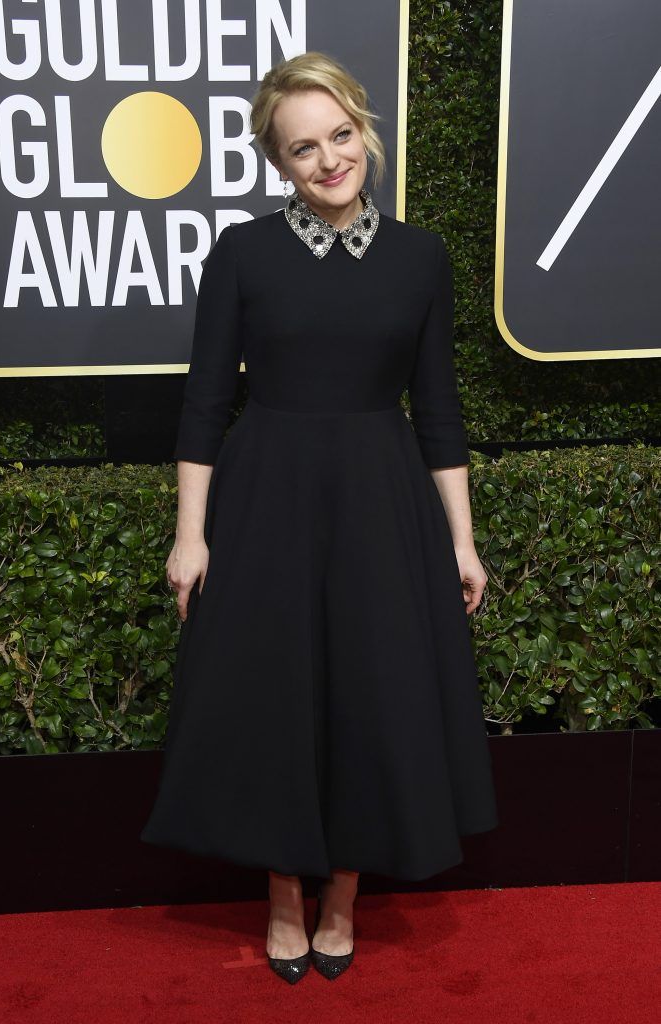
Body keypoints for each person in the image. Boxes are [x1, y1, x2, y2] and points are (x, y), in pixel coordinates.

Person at [140, 51, 499, 984]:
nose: (329, 160)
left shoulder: (421, 256)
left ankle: (341, 897)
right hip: (265, 500)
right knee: (272, 696)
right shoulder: (244, 254)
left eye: (340, 135)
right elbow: (204, 402)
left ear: (363, 129)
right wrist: (191, 534)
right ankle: (281, 896)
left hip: (382, 504)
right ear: (279, 161)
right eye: (304, 148)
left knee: (369, 697)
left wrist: (460, 539)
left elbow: (441, 409)